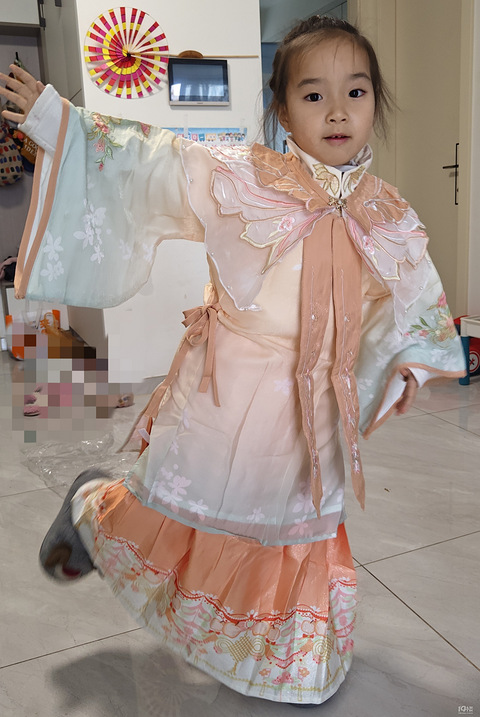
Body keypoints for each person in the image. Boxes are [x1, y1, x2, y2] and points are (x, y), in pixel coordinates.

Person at [0, 15, 465, 707]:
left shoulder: (389, 214)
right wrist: (55, 119)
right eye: (313, 94)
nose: (338, 111)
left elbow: (410, 298)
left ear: (376, 101)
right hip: (231, 389)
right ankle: (93, 510)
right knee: (186, 503)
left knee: (299, 520)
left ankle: (291, 660)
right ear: (283, 109)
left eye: (356, 91)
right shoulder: (244, 176)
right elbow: (148, 159)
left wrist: (410, 360)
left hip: (315, 407)